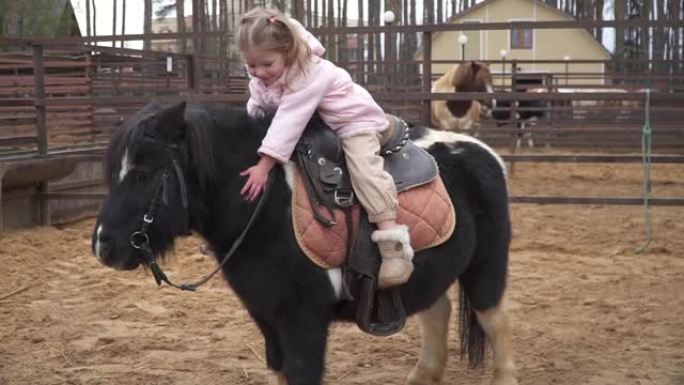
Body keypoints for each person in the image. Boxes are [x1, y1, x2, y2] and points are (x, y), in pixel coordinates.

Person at [236, 7, 413, 288]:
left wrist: (265, 164)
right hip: (318, 125)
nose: (259, 72)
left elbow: (289, 120)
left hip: (352, 122)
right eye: (251, 66)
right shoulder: (263, 75)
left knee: (364, 170)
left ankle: (393, 245)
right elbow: (257, 109)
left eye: (266, 64)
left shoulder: (309, 71)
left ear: (289, 51)